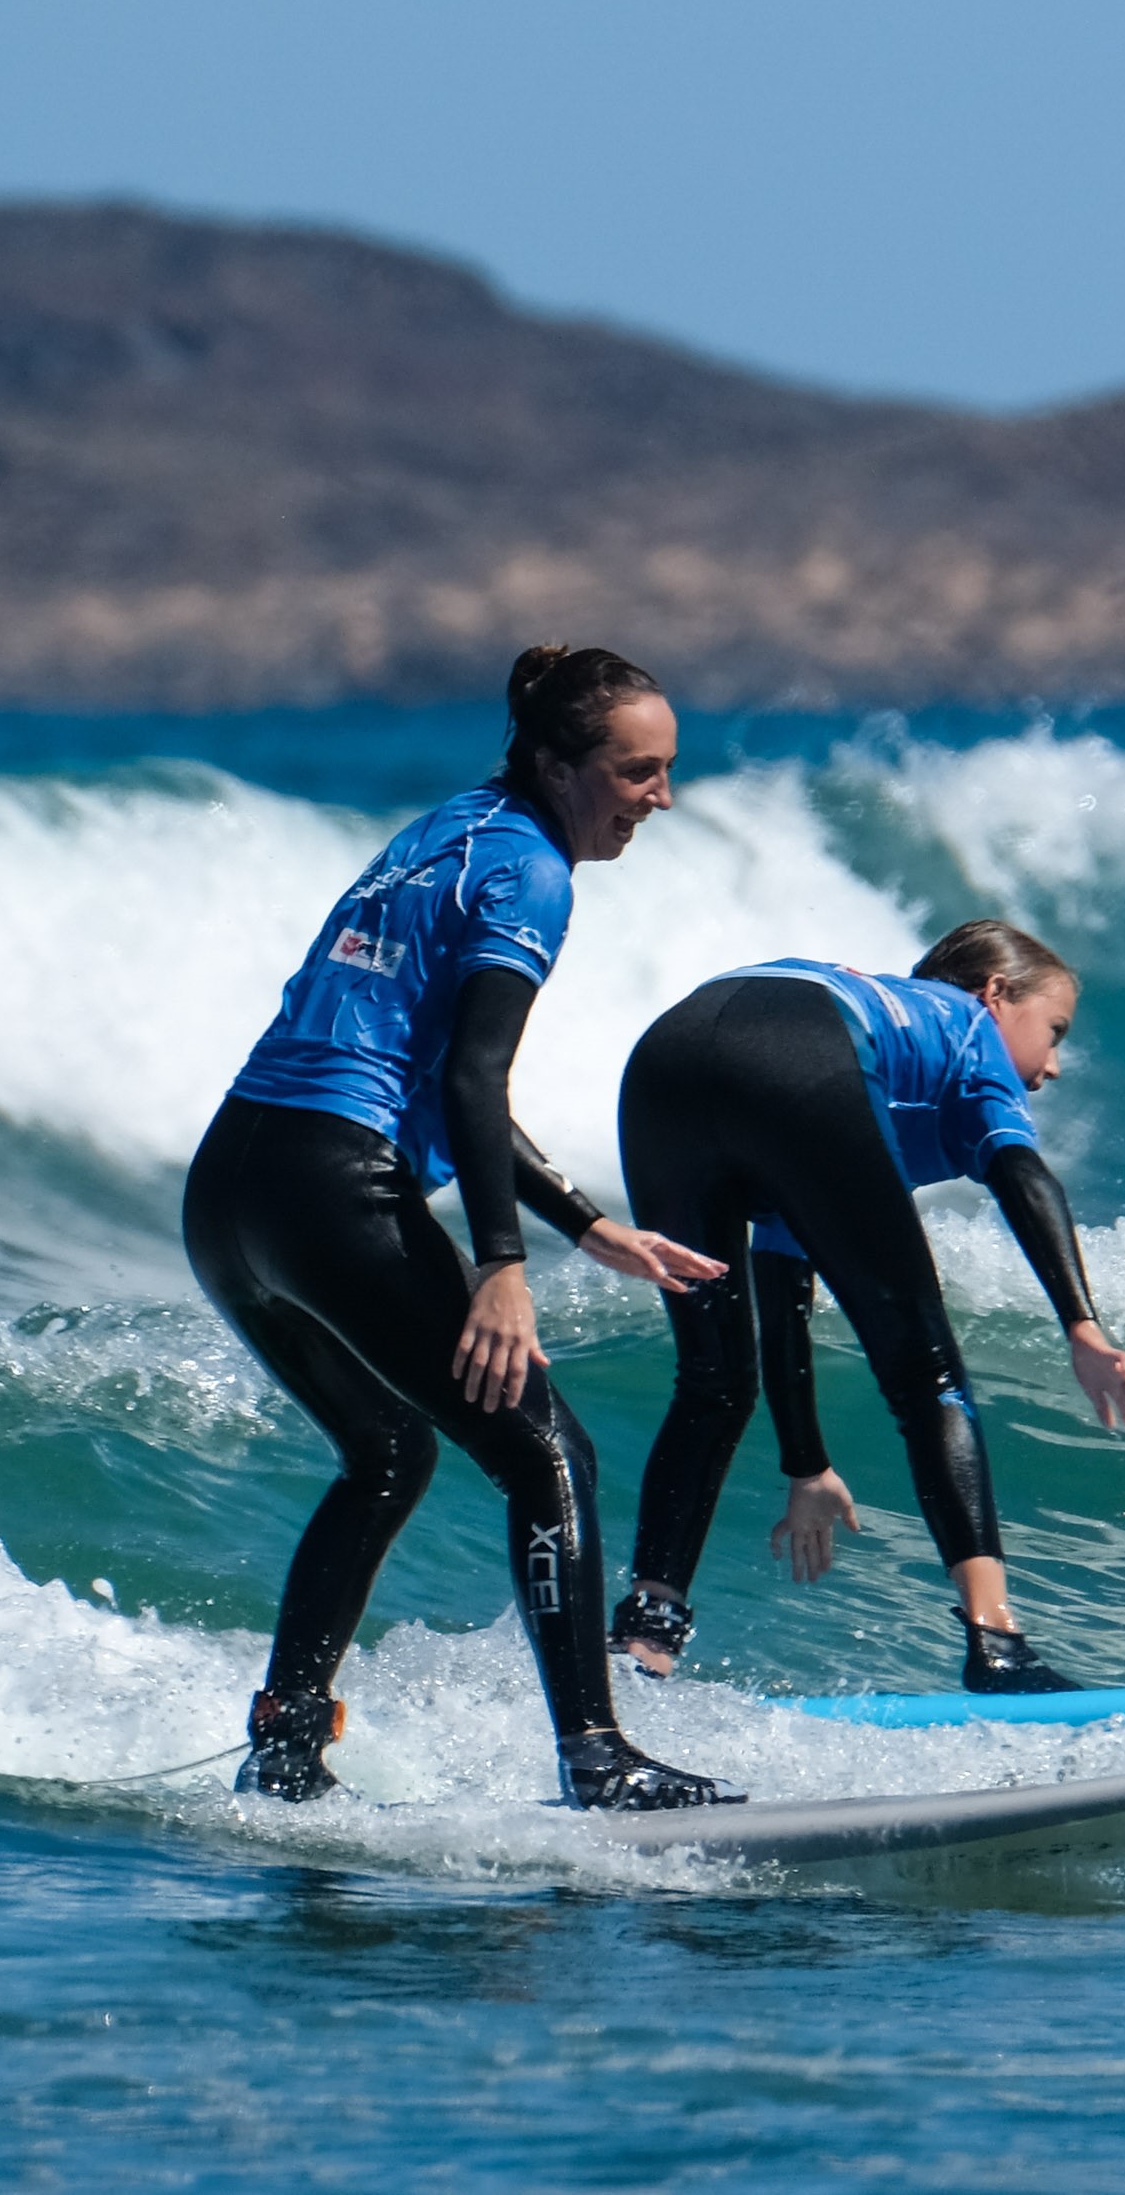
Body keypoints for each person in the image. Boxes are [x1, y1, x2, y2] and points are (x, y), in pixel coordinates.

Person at [180, 644, 739, 1811]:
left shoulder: (447, 830)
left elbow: (436, 1078)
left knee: (389, 1453)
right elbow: (478, 1083)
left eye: (667, 771)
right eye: (638, 772)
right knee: (550, 1453)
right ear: (555, 762)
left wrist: (588, 1227)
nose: (661, 798)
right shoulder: (530, 871)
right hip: (334, 1184)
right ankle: (596, 1752)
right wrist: (501, 1268)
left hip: (234, 1187)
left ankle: (285, 1742)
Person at [610, 919, 1125, 1692]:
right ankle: (996, 1640)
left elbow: (781, 1280)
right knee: (930, 1376)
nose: (1054, 1065)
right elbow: (1024, 1176)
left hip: (668, 1055)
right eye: (1054, 1030)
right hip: (800, 1055)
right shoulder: (966, 1026)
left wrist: (806, 1465)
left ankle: (642, 1640)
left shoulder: (880, 1036)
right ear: (995, 994)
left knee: (713, 1379)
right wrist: (1081, 1324)